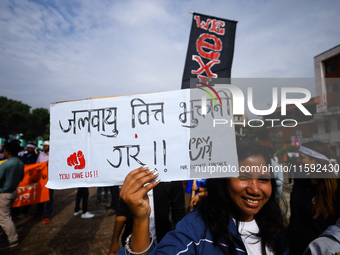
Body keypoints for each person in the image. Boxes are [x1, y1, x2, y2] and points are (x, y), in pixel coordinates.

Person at [118, 140, 289, 255]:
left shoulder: (275, 228)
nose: (255, 189)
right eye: (243, 177)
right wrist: (141, 219)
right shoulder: (196, 231)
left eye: (264, 179)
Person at [288, 140, 340, 255]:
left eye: (302, 157)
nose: (297, 161)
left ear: (315, 161)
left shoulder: (336, 190)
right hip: (294, 249)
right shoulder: (300, 183)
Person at [109, 181, 185, 255]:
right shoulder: (133, 178)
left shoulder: (170, 180)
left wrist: (182, 242)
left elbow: (179, 213)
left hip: (162, 243)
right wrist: (114, 240)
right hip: (133, 245)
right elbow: (122, 210)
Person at [0, 140, 25, 250]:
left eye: (4, 151)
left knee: (4, 218)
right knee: (6, 216)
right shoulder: (20, 163)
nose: (3, 152)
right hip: (13, 192)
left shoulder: (6, 164)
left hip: (4, 193)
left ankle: (13, 240)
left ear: (8, 152)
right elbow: (21, 178)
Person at [33, 140, 52, 223]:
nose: (43, 147)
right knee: (40, 196)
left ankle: (47, 214)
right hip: (41, 179)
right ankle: (39, 213)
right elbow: (37, 164)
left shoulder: (53, 155)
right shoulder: (40, 154)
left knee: (49, 198)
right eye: (43, 146)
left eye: (45, 146)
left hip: (49, 179)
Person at [17, 143, 38, 219]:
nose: (28, 149)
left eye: (29, 148)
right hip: (22, 178)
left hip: (30, 179)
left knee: (28, 194)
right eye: (27, 148)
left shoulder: (36, 157)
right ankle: (17, 210)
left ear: (33, 149)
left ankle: (25, 211)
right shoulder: (24, 156)